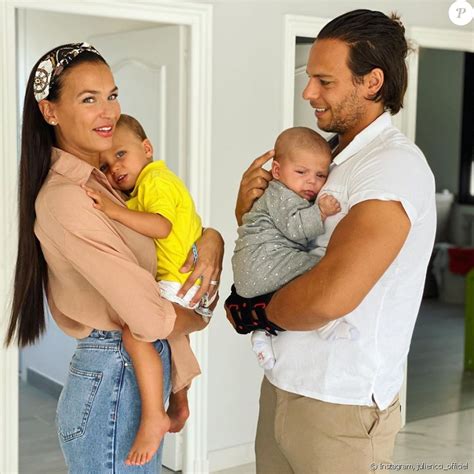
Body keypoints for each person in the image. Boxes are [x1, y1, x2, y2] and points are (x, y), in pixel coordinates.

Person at [226, 10, 436, 474]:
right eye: (309, 79)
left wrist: (251, 310)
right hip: (283, 384)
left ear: (372, 82)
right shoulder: (329, 160)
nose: (308, 93)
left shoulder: (392, 168)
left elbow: (331, 296)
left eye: (324, 80)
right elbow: (287, 248)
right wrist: (249, 218)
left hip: (342, 404)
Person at [6, 43, 223, 473]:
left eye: (112, 94)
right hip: (116, 376)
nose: (107, 111)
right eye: (89, 99)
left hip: (127, 372)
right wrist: (201, 315)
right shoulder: (68, 199)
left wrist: (211, 239)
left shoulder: (105, 182)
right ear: (50, 113)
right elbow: (147, 320)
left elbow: (168, 231)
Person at [83, 113, 217, 465]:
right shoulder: (143, 188)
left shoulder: (155, 181)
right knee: (172, 339)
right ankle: (180, 402)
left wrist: (113, 211)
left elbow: (159, 226)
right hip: (186, 290)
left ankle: (153, 415)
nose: (115, 168)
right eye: (107, 164)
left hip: (181, 285)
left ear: (147, 148)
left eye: (121, 154)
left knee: (136, 333)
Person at [232, 127, 357, 370]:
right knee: (322, 268)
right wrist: (319, 212)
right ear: (276, 170)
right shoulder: (280, 193)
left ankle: (262, 334)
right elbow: (295, 227)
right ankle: (327, 323)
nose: (311, 181)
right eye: (301, 172)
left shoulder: (284, 191)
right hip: (264, 262)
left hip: (253, 275)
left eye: (321, 175)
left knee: (285, 290)